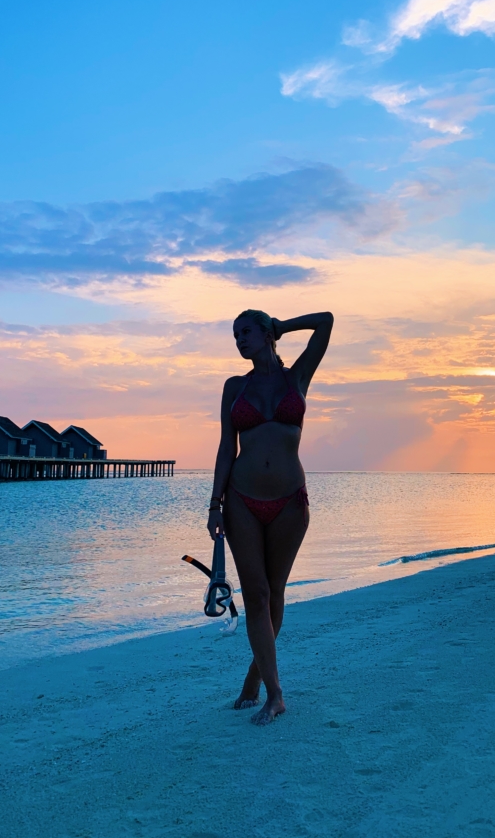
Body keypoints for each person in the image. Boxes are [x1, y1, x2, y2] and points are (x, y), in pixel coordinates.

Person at [207, 309, 334, 725]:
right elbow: (228, 447)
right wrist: (213, 505)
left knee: (275, 593)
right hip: (241, 499)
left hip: (290, 503)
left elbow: (326, 321)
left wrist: (284, 325)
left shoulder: (295, 378)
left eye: (245, 332)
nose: (238, 340)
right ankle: (275, 695)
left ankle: (255, 675)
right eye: (234, 335)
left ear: (265, 334)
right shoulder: (234, 388)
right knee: (256, 595)